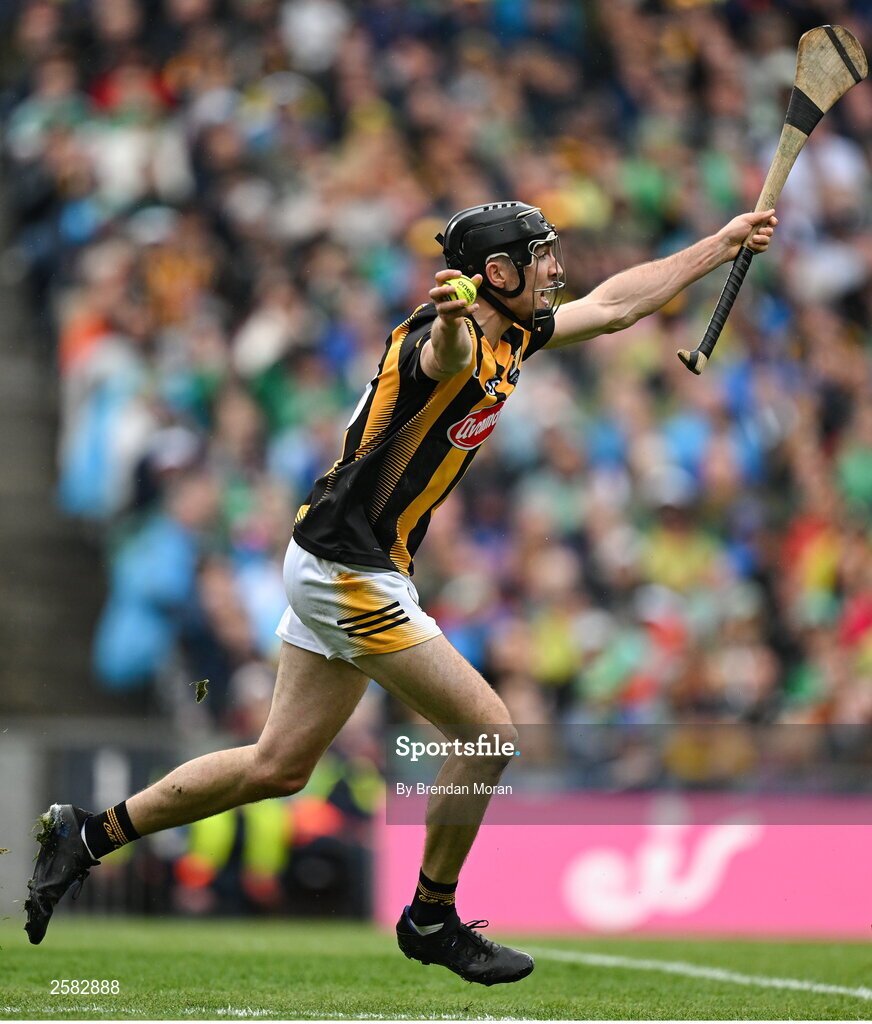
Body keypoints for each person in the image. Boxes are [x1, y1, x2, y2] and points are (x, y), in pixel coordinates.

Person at [25, 201, 777, 985]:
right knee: (489, 733)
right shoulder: (440, 335)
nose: (558, 269)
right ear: (498, 272)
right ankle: (431, 915)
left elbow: (618, 306)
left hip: (342, 563)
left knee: (279, 767)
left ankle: (87, 835)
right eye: (543, 256)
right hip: (348, 570)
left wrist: (720, 246)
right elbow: (446, 357)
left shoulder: (519, 329)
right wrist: (454, 320)